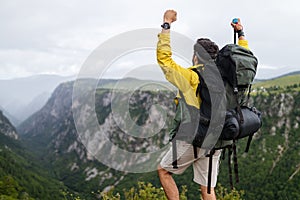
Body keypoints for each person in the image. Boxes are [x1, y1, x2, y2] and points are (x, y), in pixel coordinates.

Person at [156, 10, 249, 200]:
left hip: (195, 138)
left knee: (164, 171)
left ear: (196, 56)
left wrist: (166, 25)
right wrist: (241, 33)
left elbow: (165, 61)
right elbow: (244, 56)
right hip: (217, 139)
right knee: (207, 189)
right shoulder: (226, 77)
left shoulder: (193, 77)